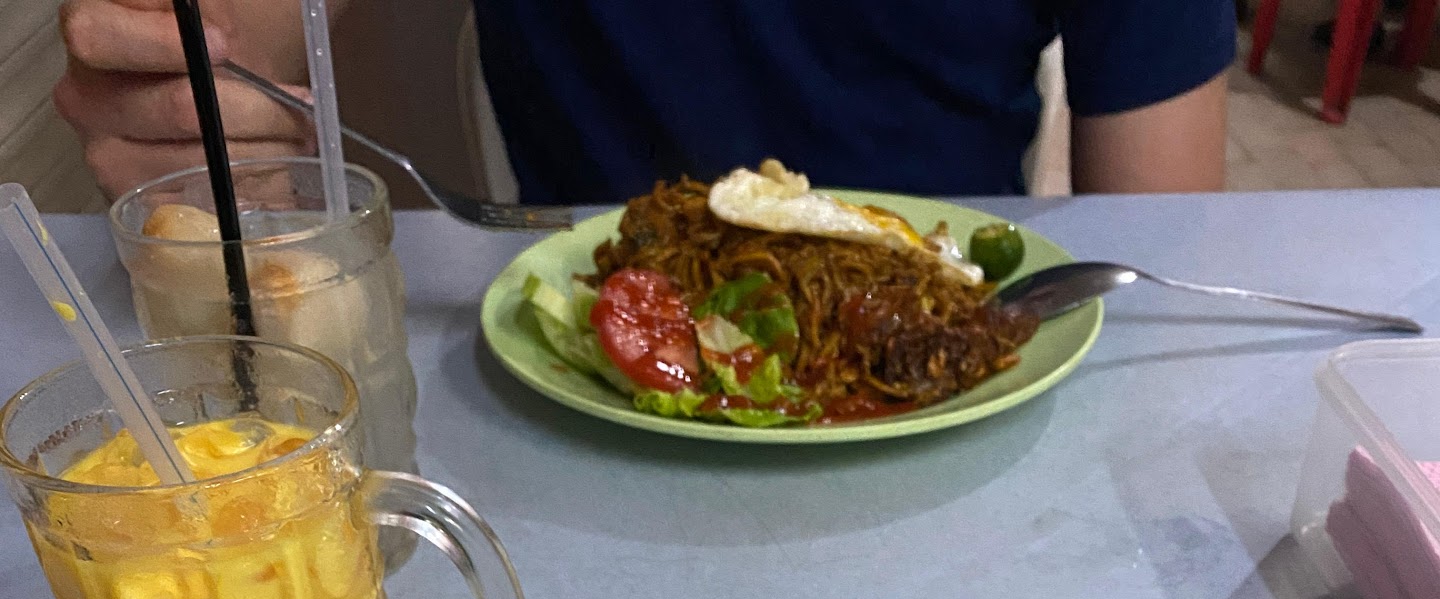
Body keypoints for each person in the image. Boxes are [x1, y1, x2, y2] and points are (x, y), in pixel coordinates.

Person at [55, 0, 1233, 205]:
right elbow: (237, 41)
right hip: (572, 376)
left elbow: (1167, 230)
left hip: (953, 376)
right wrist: (192, 89)